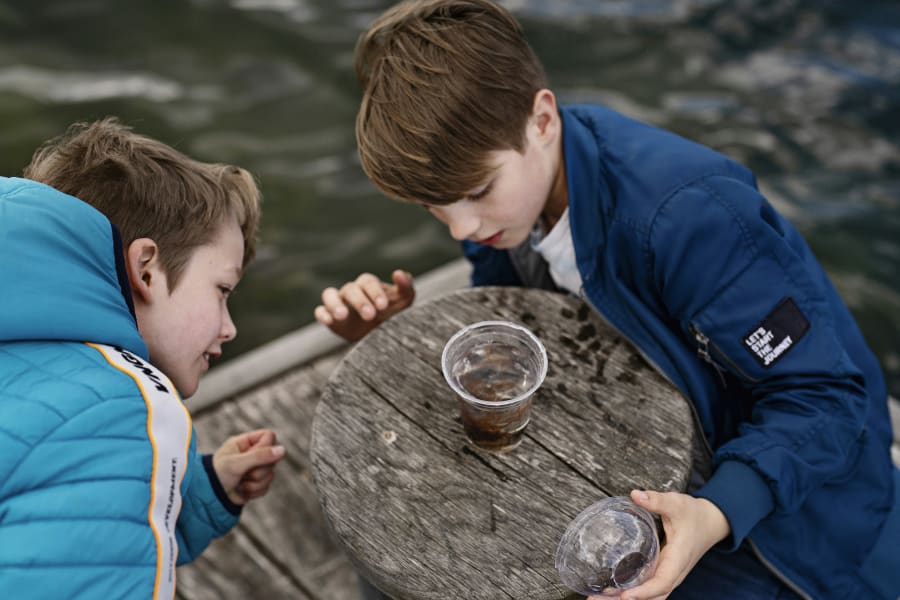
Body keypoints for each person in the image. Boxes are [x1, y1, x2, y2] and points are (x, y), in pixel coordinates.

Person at [314, 1, 900, 598]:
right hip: (642, 458)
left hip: (786, 523)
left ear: (541, 119)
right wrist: (401, 332)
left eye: (477, 192)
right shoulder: (511, 210)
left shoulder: (688, 218)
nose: (461, 228)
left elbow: (825, 397)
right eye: (433, 205)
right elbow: (514, 315)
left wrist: (716, 512)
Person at [0, 118, 285, 598]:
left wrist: (194, 489)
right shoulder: (123, 410)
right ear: (146, 270)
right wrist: (144, 447)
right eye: (222, 290)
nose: (229, 326)